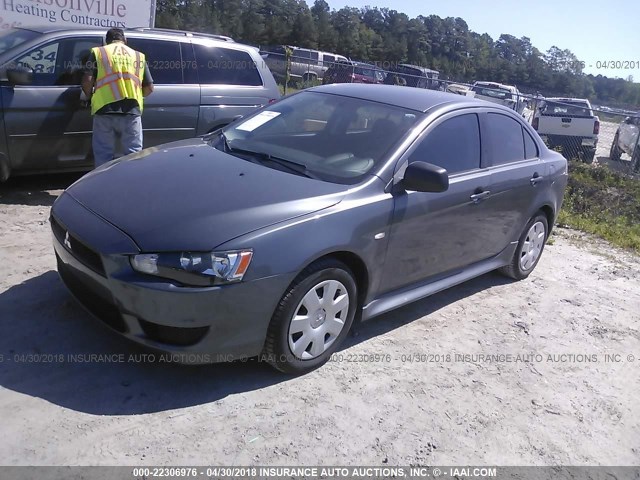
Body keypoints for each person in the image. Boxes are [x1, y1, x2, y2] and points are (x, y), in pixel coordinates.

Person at [82, 28, 154, 168]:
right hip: (131, 111)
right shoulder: (138, 56)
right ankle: (130, 186)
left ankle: (105, 186)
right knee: (133, 156)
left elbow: (87, 81)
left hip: (104, 110)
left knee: (104, 156)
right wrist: (137, 95)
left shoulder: (99, 52)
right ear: (125, 41)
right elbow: (149, 88)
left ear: (106, 41)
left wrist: (90, 96)